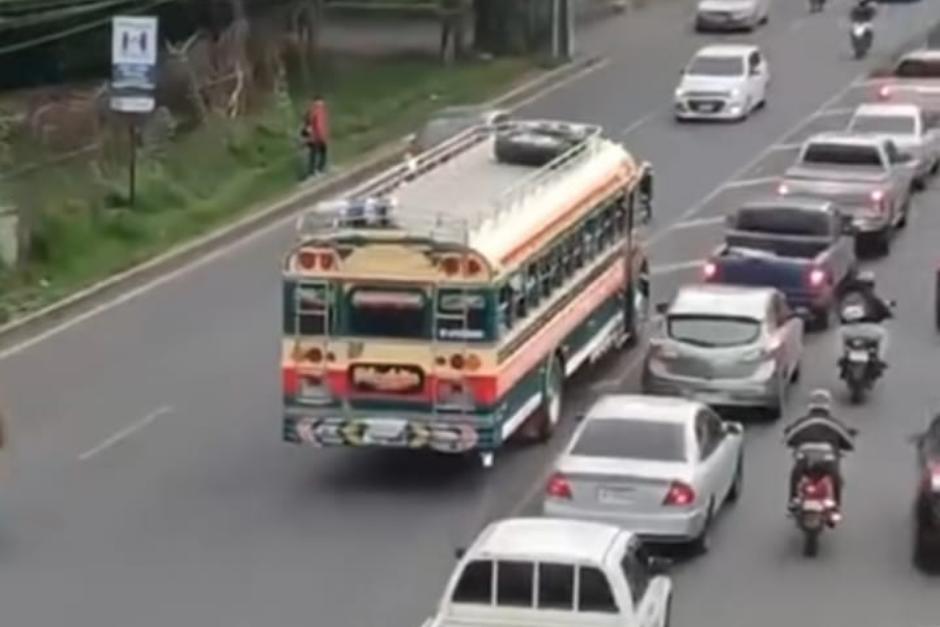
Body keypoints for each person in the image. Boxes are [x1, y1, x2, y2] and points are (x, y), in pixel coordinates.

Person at [784, 389, 857, 510]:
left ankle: (793, 499)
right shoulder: (834, 423)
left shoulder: (802, 422)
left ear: (810, 405)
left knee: (795, 474)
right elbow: (849, 443)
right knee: (836, 478)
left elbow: (788, 439)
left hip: (805, 462)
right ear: (828, 406)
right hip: (827, 463)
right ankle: (836, 507)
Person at [839, 270, 893, 365]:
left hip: (847, 331)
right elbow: (881, 308)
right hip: (868, 330)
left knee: (839, 335)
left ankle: (842, 357)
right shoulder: (869, 296)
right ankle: (879, 359)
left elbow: (839, 311)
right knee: (883, 335)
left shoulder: (848, 295)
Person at [302, 96, 329, 177]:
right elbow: (308, 123)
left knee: (322, 152)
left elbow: (323, 124)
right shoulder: (313, 111)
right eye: (320, 102)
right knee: (314, 153)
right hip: (314, 137)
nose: (321, 104)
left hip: (320, 136)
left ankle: (320, 169)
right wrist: (308, 132)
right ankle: (313, 171)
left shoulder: (321, 111)